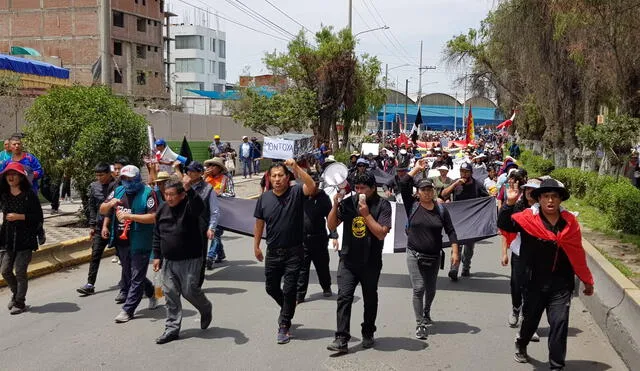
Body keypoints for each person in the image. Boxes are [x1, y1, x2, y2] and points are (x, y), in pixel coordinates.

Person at [498, 178, 594, 369]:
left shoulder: (570, 222)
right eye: (546, 196)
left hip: (561, 285)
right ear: (539, 199)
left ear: (560, 200)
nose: (550, 200)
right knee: (530, 322)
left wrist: (587, 280)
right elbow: (505, 225)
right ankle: (521, 342)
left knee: (559, 324)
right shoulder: (526, 218)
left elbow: (577, 252)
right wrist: (509, 204)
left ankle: (556, 366)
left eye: (554, 197)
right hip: (533, 283)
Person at [326, 171, 392, 353]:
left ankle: (368, 331)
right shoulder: (348, 203)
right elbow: (332, 226)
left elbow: (381, 233)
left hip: (371, 261)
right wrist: (335, 206)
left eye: (363, 188)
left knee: (370, 298)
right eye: (356, 188)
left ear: (373, 188)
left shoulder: (383, 205)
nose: (359, 191)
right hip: (348, 260)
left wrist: (366, 215)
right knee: (344, 297)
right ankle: (341, 338)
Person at [253, 159, 317, 344]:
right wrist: (256, 245)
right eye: (274, 176)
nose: (277, 179)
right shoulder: (264, 198)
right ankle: (287, 308)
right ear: (269, 178)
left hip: (294, 252)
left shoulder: (296, 192)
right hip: (273, 252)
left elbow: (311, 186)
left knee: (289, 289)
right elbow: (259, 223)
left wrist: (295, 167)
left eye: (281, 175)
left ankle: (284, 324)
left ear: (287, 177)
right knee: (271, 287)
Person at [152, 178, 213, 344]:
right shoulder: (162, 209)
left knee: (189, 290)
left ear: (181, 195)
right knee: (170, 293)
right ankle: (171, 329)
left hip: (191, 258)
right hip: (169, 260)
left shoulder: (190, 206)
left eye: (172, 195)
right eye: (166, 194)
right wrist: (157, 255)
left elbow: (199, 207)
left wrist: (190, 190)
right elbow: (158, 233)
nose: (169, 198)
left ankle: (205, 307)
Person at [400, 173, 459, 340]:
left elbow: (451, 230)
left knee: (431, 289)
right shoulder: (412, 205)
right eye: (423, 189)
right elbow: (403, 183)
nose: (426, 192)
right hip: (413, 253)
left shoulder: (441, 209)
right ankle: (420, 324)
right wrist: (416, 169)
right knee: (418, 288)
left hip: (433, 256)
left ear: (433, 191)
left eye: (429, 189)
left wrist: (455, 251)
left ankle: (426, 311)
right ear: (418, 192)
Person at [100, 165, 158, 323]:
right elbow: (102, 209)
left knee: (136, 276)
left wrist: (131, 217)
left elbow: (153, 217)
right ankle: (151, 291)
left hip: (141, 240)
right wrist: (110, 204)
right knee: (130, 273)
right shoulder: (118, 191)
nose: (128, 182)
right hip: (122, 241)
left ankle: (128, 309)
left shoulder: (148, 193)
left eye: (131, 179)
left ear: (138, 178)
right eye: (124, 179)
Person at [500, 178, 541, 343]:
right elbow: (505, 227)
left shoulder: (546, 208)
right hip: (520, 254)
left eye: (534, 190)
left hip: (540, 256)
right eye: (527, 189)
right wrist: (509, 203)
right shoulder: (518, 206)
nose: (530, 192)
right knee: (517, 285)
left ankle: (529, 324)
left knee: (533, 290)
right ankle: (516, 308)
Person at [0, 162, 44, 314]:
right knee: (5, 270)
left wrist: (19, 216)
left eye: (14, 174)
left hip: (25, 239)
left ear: (21, 177)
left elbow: (38, 216)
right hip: (7, 239)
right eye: (8, 174)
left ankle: (20, 302)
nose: (11, 177)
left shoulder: (29, 195)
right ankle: (16, 293)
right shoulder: (4, 194)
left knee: (20, 272)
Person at [441, 162, 489, 280]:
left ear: (471, 173)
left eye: (466, 172)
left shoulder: (478, 185)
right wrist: (455, 184)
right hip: (457, 219)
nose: (464, 174)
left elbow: (486, 200)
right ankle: (454, 268)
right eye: (462, 171)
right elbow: (443, 194)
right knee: (456, 244)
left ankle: (466, 267)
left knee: (469, 247)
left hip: (472, 221)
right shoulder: (456, 182)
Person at [76, 163, 116, 296]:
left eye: (102, 175)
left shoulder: (117, 186)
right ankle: (90, 284)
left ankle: (136, 284)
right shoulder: (94, 187)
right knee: (95, 255)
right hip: (99, 226)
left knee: (125, 257)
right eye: (97, 175)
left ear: (109, 174)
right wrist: (92, 226)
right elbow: (92, 207)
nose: (99, 178)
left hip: (116, 226)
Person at [296, 174, 333, 304]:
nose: (314, 186)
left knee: (322, 266)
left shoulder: (324, 198)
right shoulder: (300, 197)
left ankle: (326, 287)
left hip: (319, 239)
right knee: (302, 269)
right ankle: (300, 295)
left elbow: (330, 217)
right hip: (302, 239)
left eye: (316, 184)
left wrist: (333, 234)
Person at [183, 161, 219, 286]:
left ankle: (197, 284)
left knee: (200, 256)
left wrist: (211, 228)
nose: (189, 173)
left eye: (193, 171)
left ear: (200, 173)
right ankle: (186, 281)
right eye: (188, 170)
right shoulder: (183, 186)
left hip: (200, 227)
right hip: (184, 226)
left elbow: (214, 211)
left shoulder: (208, 189)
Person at [203, 157, 232, 269]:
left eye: (213, 166)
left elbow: (231, 194)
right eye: (209, 165)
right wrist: (204, 176)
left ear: (219, 168)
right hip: (206, 212)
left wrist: (217, 194)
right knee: (215, 235)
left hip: (220, 210)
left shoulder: (225, 178)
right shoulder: (205, 178)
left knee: (216, 233)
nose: (210, 168)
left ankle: (210, 257)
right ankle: (221, 253)